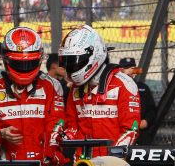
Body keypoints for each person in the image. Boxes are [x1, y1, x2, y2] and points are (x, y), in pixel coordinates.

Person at [0, 27, 67, 164]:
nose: (25, 67)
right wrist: (0, 133)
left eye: (30, 62)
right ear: (5, 60)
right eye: (19, 63)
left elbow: (57, 124)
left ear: (40, 59)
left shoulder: (52, 86)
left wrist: (51, 154)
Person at [59, 25, 141, 157]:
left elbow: (131, 130)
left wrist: (113, 157)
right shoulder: (75, 88)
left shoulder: (124, 84)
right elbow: (73, 126)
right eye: (69, 62)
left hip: (114, 165)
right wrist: (65, 136)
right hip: (83, 162)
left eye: (75, 61)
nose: (71, 67)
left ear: (94, 54)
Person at [118, 57, 157, 145]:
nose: (130, 70)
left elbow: (152, 110)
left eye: (132, 68)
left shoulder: (143, 88)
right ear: (121, 70)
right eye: (127, 68)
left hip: (140, 134)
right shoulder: (115, 88)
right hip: (121, 131)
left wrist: (146, 121)